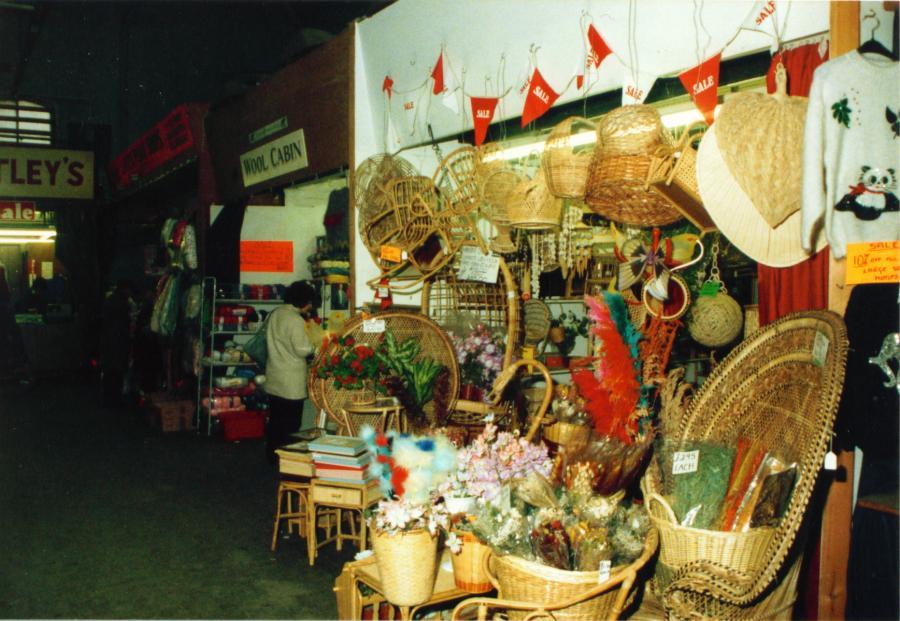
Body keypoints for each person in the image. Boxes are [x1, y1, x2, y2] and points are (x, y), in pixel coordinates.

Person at [264, 280, 318, 463]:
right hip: (290, 381)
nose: (311, 306)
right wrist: (315, 345)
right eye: (310, 302)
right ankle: (287, 460)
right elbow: (302, 349)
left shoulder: (276, 313)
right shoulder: (295, 320)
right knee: (291, 424)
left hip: (274, 375)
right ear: (304, 301)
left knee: (276, 421)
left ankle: (272, 455)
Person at [100, 280, 133, 407]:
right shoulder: (122, 303)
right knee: (117, 371)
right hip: (118, 341)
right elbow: (123, 324)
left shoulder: (110, 300)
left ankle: (108, 398)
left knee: (109, 372)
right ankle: (115, 399)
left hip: (109, 341)